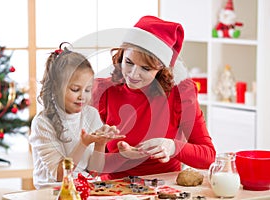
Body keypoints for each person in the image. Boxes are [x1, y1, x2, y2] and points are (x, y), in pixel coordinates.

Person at [91, 16, 216, 180]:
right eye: (129, 62)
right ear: (121, 56)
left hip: (166, 187)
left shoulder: (180, 95)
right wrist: (123, 158)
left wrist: (173, 147)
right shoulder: (102, 91)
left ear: (161, 69)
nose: (133, 74)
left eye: (146, 68)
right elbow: (91, 168)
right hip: (115, 189)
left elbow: (209, 157)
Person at [29, 42, 123, 189]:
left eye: (87, 90)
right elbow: (60, 175)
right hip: (52, 192)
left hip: (85, 188)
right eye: (75, 89)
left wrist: (100, 143)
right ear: (55, 88)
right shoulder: (42, 122)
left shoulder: (90, 114)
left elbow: (94, 171)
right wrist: (83, 143)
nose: (82, 97)